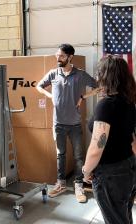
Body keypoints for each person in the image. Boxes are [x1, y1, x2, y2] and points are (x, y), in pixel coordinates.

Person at [82, 55, 136, 224]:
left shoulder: (106, 105)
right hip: (130, 169)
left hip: (112, 175)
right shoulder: (130, 101)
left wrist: (86, 171)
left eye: (99, 73)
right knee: (123, 216)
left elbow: (97, 147)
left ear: (105, 76)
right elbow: (129, 134)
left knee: (116, 219)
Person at [36, 43, 98, 203]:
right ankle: (61, 183)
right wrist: (50, 96)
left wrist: (84, 97)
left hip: (75, 124)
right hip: (58, 123)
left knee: (78, 156)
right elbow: (39, 86)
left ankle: (78, 185)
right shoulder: (53, 73)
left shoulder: (80, 75)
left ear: (70, 57)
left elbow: (98, 87)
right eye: (57, 55)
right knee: (60, 155)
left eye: (62, 56)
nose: (58, 58)